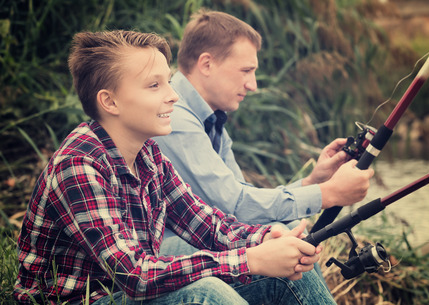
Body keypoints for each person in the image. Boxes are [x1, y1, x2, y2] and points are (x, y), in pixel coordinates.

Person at [14, 30, 336, 305]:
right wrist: (251, 260)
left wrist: (266, 238)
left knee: (292, 276)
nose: (173, 97)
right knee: (205, 294)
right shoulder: (79, 166)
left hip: (130, 293)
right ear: (109, 102)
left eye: (168, 83)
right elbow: (135, 275)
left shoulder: (149, 155)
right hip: (88, 299)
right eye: (155, 86)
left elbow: (208, 227)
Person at [154, 9, 374, 259]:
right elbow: (235, 208)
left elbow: (239, 200)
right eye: (246, 71)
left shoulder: (211, 121)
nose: (253, 84)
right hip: (163, 252)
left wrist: (315, 182)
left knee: (286, 230)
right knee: (282, 234)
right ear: (206, 64)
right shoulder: (177, 118)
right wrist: (328, 194)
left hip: (202, 238)